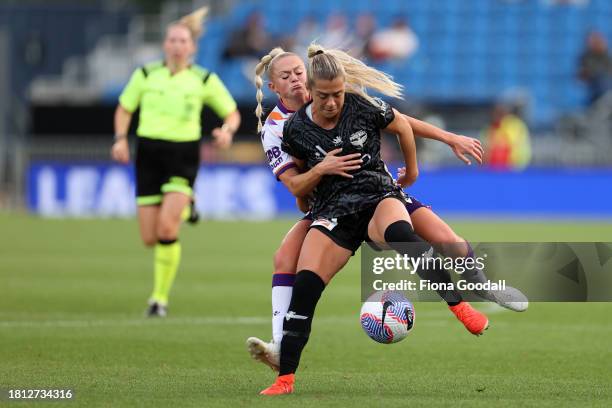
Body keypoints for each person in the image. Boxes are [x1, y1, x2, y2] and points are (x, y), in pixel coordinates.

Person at [253, 45, 526, 394]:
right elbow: (294, 186)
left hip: (377, 191)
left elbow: (399, 122)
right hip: (328, 204)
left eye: (298, 73)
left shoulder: (348, 98)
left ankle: (479, 286)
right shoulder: (282, 129)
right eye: (286, 76)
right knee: (291, 264)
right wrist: (320, 174)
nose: (295, 80)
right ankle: (282, 355)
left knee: (450, 243)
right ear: (274, 86)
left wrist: (446, 139)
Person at [110, 7, 241, 317]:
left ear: (192, 47)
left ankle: (158, 299)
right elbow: (125, 108)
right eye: (172, 40)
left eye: (183, 40)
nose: (177, 45)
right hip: (148, 154)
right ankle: (186, 204)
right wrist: (119, 138)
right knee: (149, 238)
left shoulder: (203, 79)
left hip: (183, 154)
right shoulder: (145, 75)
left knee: (168, 229)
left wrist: (227, 131)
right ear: (165, 44)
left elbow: (231, 112)